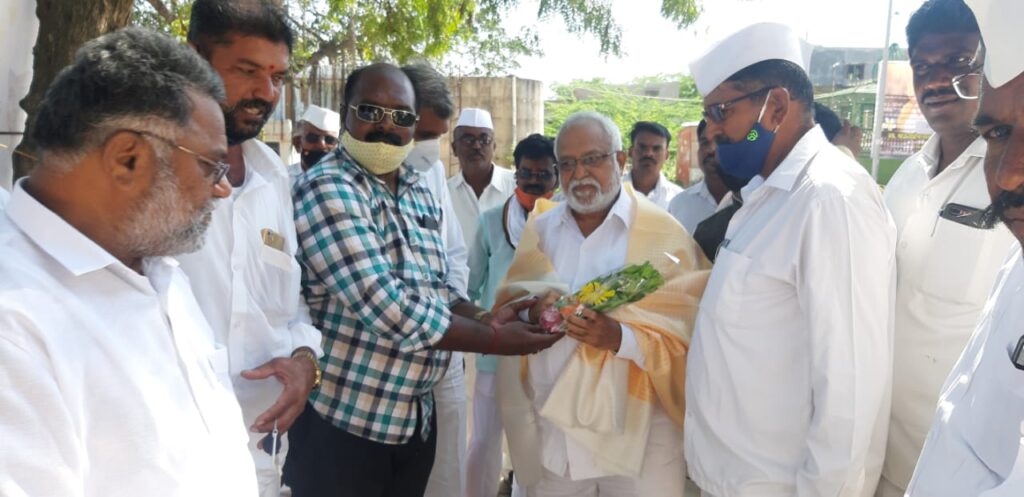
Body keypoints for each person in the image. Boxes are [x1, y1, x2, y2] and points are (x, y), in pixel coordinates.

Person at [283, 62, 562, 497]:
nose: (386, 126)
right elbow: (387, 306)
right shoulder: (327, 187)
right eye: (371, 111)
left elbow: (438, 286)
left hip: (413, 422)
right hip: (347, 424)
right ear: (346, 111)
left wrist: (485, 317)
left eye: (401, 117)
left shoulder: (417, 188)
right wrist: (494, 340)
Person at [0, 27, 257, 496]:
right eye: (210, 166)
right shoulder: (15, 325)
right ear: (128, 159)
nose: (223, 189)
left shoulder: (154, 263)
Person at [684, 22, 896, 497]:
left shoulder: (829, 199)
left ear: (776, 106)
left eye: (721, 111)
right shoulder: (768, 195)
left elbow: (850, 389)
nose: (712, 131)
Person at [493, 111, 710, 496]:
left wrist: (619, 338)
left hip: (640, 439)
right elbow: (512, 300)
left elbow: (690, 331)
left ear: (620, 160)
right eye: (567, 164)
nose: (580, 174)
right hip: (556, 433)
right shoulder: (541, 229)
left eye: (592, 159)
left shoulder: (664, 235)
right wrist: (534, 310)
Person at [178, 2, 324, 495]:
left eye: (278, 77)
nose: (266, 93)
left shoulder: (272, 175)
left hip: (259, 447)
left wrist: (305, 361)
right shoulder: (150, 171)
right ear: (195, 57)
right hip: (171, 452)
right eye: (246, 70)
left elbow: (289, 301)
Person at [877, 2, 1016, 495]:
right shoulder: (907, 176)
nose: (936, 81)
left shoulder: (1010, 179)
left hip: (963, 468)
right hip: (882, 451)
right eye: (923, 67)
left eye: (958, 62)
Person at [465, 133, 559, 497]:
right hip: (496, 351)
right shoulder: (491, 221)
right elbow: (470, 284)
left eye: (543, 174)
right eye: (527, 173)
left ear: (556, 175)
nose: (534, 181)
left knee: (535, 444)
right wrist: (481, 325)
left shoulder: (567, 222)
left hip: (546, 350)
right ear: (515, 173)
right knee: (483, 441)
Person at [401, 62, 473, 497]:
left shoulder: (430, 172)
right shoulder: (349, 181)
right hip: (389, 360)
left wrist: (463, 313)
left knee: (447, 468)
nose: (429, 147)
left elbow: (454, 253)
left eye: (437, 137)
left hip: (446, 349)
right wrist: (491, 335)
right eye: (424, 134)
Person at [448, 107, 516, 252]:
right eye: (468, 139)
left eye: (484, 140)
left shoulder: (516, 186)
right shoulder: (444, 193)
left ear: (494, 147)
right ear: (454, 148)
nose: (477, 146)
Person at [668, 119, 729, 233]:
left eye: (720, 141)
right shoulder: (679, 204)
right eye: (705, 143)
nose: (711, 150)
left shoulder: (750, 199)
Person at [624, 121, 683, 209]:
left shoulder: (679, 199)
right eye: (642, 147)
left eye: (656, 148)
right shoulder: (611, 194)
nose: (649, 154)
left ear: (666, 155)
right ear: (630, 151)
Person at [289, 104, 341, 183]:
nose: (321, 145)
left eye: (329, 140)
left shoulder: (345, 180)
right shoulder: (282, 178)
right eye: (312, 138)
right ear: (298, 143)